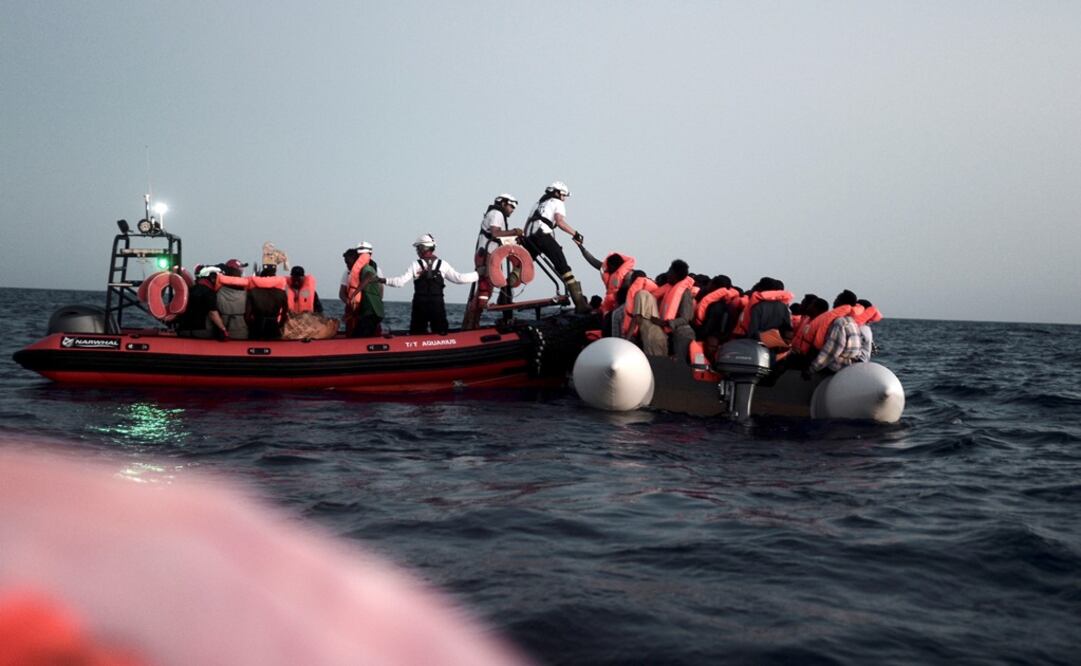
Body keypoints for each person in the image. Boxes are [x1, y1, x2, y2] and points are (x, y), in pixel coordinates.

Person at [382, 234, 478, 335]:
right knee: (441, 332)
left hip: (420, 305)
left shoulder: (415, 265)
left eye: (418, 248)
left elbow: (400, 282)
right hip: (437, 304)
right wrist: (478, 275)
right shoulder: (443, 264)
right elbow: (459, 279)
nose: (417, 251)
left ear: (423, 248)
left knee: (417, 333)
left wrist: (382, 280)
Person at [522, 181, 590, 313]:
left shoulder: (538, 204)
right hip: (543, 236)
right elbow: (559, 222)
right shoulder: (557, 203)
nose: (564, 199)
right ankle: (580, 305)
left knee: (521, 267)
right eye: (563, 195)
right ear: (557, 193)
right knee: (564, 268)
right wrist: (575, 234)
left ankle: (504, 298)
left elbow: (527, 225)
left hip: (530, 238)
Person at [463, 194, 522, 330]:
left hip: (488, 254)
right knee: (485, 289)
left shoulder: (495, 213)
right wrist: (514, 232)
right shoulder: (497, 214)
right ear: (503, 203)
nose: (512, 210)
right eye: (511, 206)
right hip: (486, 255)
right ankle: (472, 326)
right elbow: (495, 233)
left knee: (485, 289)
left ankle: (471, 324)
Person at [637, 260, 695, 360]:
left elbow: (686, 317)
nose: (667, 274)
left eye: (670, 271)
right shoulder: (669, 289)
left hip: (682, 335)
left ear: (676, 275)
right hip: (671, 334)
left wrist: (665, 323)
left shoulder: (685, 293)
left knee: (678, 365)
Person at [176, 265, 229, 339]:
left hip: (184, 330)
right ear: (212, 278)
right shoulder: (209, 292)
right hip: (201, 331)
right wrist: (223, 329)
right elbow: (213, 313)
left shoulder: (190, 290)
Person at [807, 309, 863, 376]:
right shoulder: (852, 321)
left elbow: (832, 350)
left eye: (836, 300)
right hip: (849, 365)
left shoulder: (840, 322)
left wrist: (812, 368)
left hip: (836, 367)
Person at [246, 265, 288, 340]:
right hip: (274, 327)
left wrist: (251, 325)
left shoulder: (252, 292)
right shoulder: (281, 293)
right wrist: (280, 324)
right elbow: (285, 313)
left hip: (256, 327)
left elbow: (247, 315)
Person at [351, 243, 384, 337]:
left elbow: (370, 277)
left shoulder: (370, 269)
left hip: (370, 310)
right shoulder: (351, 270)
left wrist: (355, 293)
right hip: (361, 310)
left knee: (361, 335)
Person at [217, 259, 249, 339]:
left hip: (222, 332)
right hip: (241, 332)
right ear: (235, 271)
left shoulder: (218, 291)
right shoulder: (246, 293)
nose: (242, 272)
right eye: (240, 269)